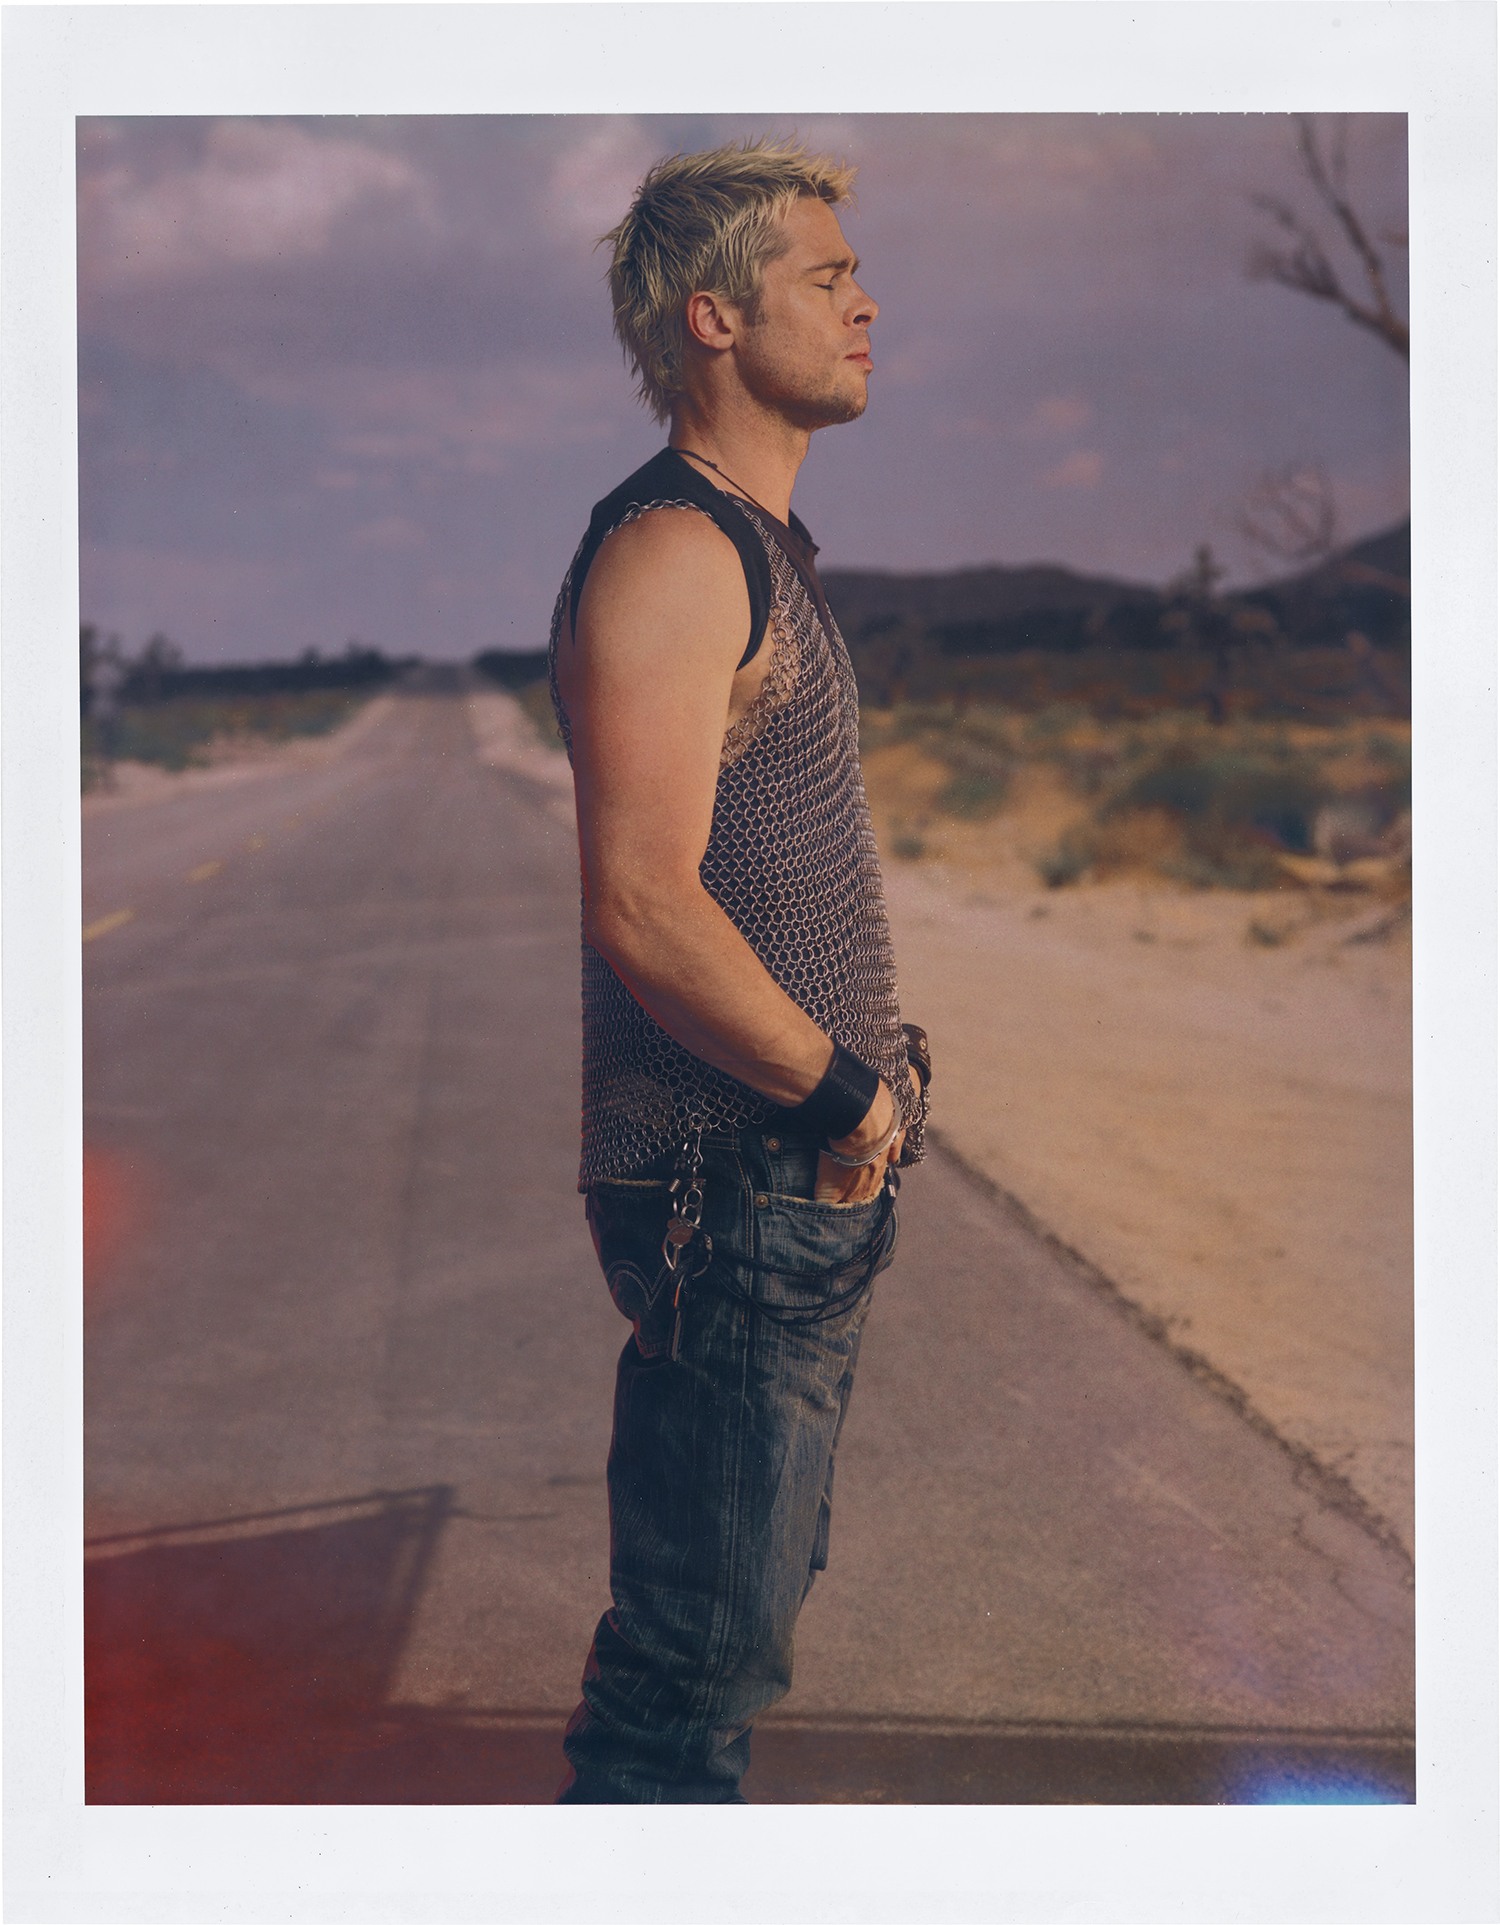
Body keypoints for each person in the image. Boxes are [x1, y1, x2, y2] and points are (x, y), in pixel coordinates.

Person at [547, 136, 931, 1804]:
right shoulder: (672, 551)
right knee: (684, 1683)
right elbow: (641, 901)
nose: (866, 303)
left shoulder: (758, 545)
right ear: (715, 316)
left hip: (787, 1178)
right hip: (735, 1176)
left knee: (727, 1650)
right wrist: (844, 1087)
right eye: (825, 277)